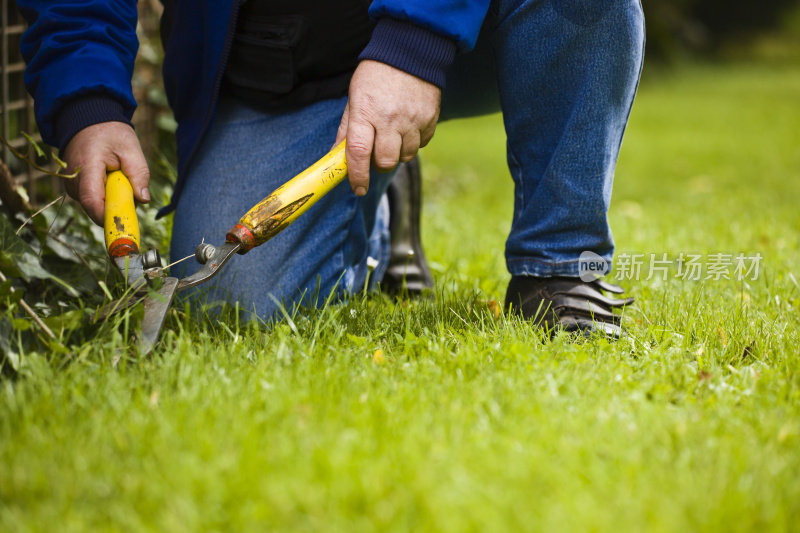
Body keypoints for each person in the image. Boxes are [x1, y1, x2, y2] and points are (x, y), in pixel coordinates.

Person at [18, 0, 643, 338]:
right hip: (278, 66)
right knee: (234, 311)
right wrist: (87, 101)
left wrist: (416, 36)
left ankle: (558, 269)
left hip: (454, 22)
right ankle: (383, 192)